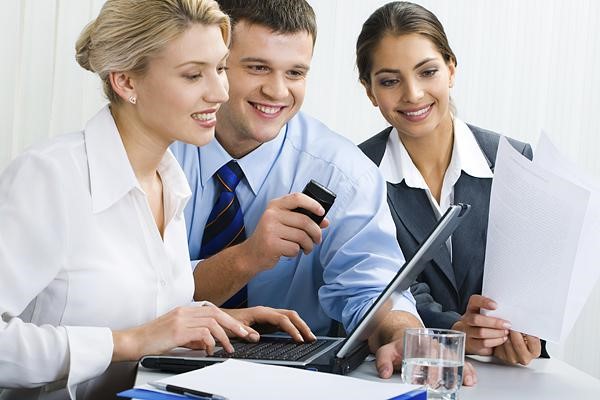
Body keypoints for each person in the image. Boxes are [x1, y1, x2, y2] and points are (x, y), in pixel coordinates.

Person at [0, 1, 313, 398]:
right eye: (192, 75)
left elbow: (136, 307)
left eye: (219, 68)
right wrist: (130, 342)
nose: (220, 91)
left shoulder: (169, 180)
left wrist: (213, 319)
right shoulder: (50, 177)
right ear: (126, 82)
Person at [171, 0, 479, 382]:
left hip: (288, 382)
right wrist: (248, 257)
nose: (277, 90)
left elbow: (370, 289)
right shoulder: (158, 151)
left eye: (296, 72)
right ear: (216, 65)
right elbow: (126, 291)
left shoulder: (345, 173)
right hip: (155, 362)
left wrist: (400, 333)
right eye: (257, 67)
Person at [357, 1, 547, 368]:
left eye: (427, 72)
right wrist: (456, 330)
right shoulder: (357, 172)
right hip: (406, 366)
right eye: (390, 81)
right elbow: (380, 283)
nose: (412, 94)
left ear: (451, 69)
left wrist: (525, 331)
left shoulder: (514, 160)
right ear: (369, 91)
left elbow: (537, 278)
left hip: (508, 371)